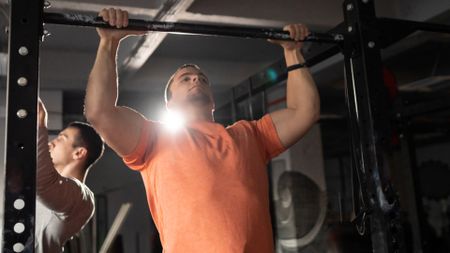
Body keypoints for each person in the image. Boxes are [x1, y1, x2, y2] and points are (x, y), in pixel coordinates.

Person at [85, 8, 319, 253]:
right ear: (169, 103)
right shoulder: (153, 139)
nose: (196, 80)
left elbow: (305, 112)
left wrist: (292, 52)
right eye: (185, 79)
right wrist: (109, 43)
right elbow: (99, 112)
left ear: (213, 102)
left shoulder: (249, 135)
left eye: (202, 79)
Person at [33, 100, 104, 252]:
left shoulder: (81, 197)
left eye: (60, 139)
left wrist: (40, 123)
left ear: (79, 153)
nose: (51, 143)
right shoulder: (50, 188)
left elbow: (42, 183)